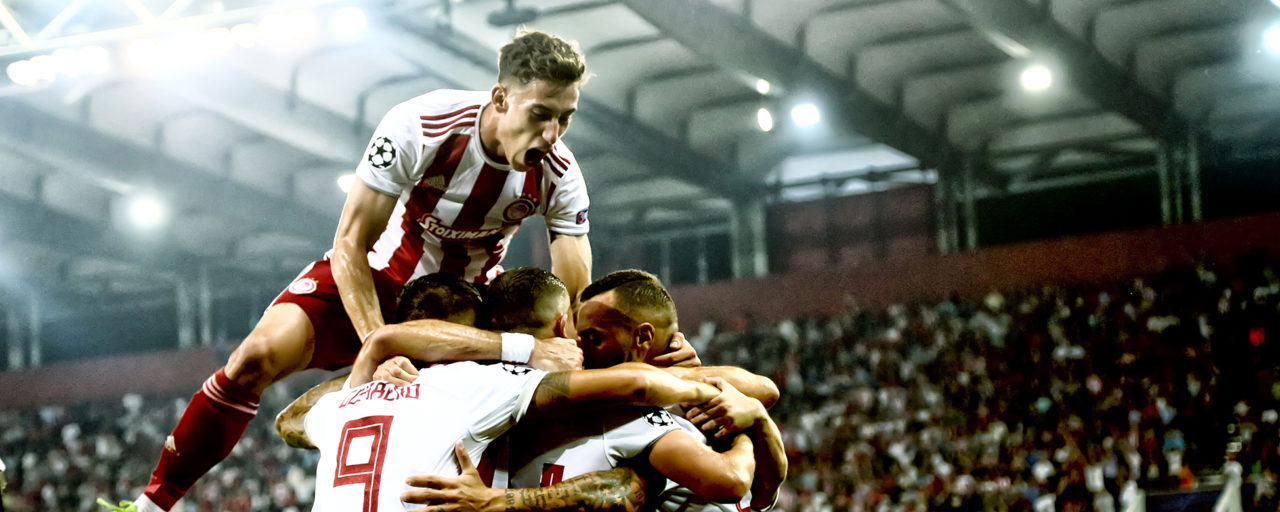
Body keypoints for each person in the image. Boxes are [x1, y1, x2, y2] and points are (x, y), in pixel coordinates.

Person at [102, 29, 604, 512]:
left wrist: (574, 351)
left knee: (540, 386)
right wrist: (378, 347)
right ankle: (149, 504)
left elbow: (575, 294)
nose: (552, 134)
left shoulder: (560, 174)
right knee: (254, 357)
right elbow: (349, 244)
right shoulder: (423, 124)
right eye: (540, 114)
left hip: (461, 309)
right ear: (500, 98)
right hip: (373, 281)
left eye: (565, 118)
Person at [386, 269, 786, 512]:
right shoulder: (617, 408)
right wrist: (747, 419)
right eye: (583, 334)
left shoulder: (480, 405)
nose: (582, 345)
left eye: (593, 337)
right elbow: (733, 481)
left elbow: (760, 483)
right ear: (563, 326)